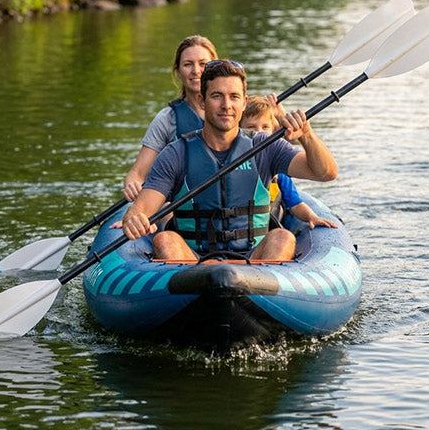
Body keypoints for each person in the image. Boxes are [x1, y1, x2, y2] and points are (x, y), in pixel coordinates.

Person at [121, 60, 337, 262]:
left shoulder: (265, 147)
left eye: (234, 97)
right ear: (201, 100)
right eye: (217, 96)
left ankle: (252, 291)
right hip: (192, 264)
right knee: (164, 239)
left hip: (257, 262)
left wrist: (307, 135)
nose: (227, 105)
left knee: (282, 237)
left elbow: (325, 173)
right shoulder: (176, 153)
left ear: (244, 103)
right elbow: (141, 208)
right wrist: (134, 218)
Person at [123, 35, 217, 202]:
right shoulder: (167, 119)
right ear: (178, 72)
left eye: (203, 64)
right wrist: (133, 184)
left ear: (215, 69)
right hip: (179, 210)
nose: (196, 71)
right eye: (188, 64)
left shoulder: (234, 112)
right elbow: (137, 174)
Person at [240, 96, 338, 230]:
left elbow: (295, 203)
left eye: (265, 127)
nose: (259, 133)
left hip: (267, 228)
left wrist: (311, 217)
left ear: (273, 130)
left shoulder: (278, 172)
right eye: (251, 128)